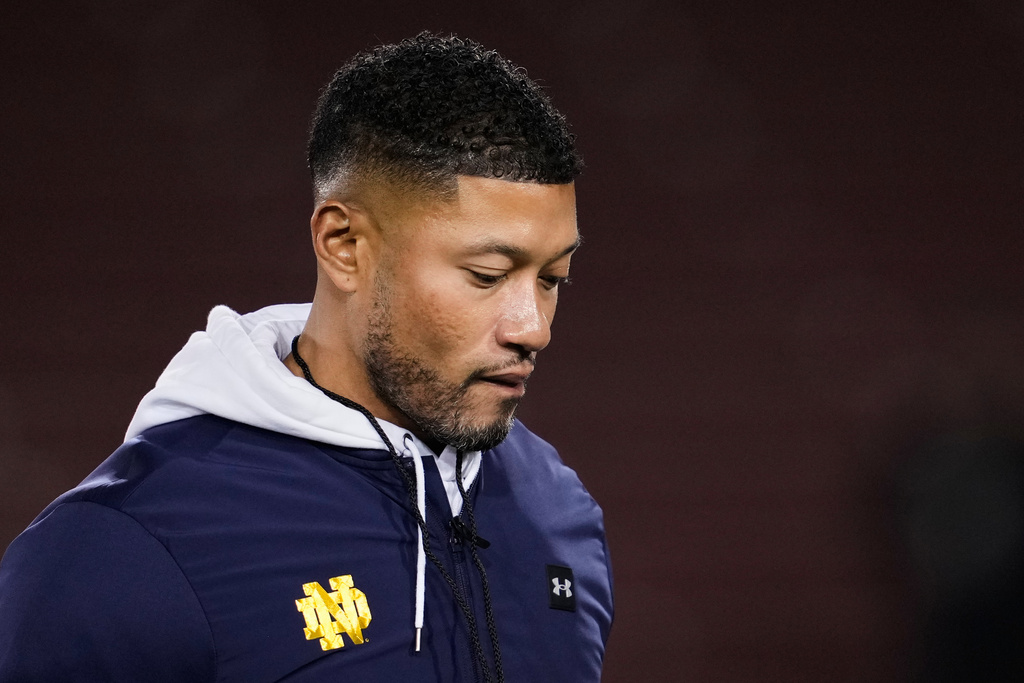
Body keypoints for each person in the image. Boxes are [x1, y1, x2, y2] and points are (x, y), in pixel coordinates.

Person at [0, 33, 613, 682]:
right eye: (487, 275)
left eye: (553, 278)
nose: (533, 329)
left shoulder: (558, 512)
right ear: (344, 244)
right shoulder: (123, 548)